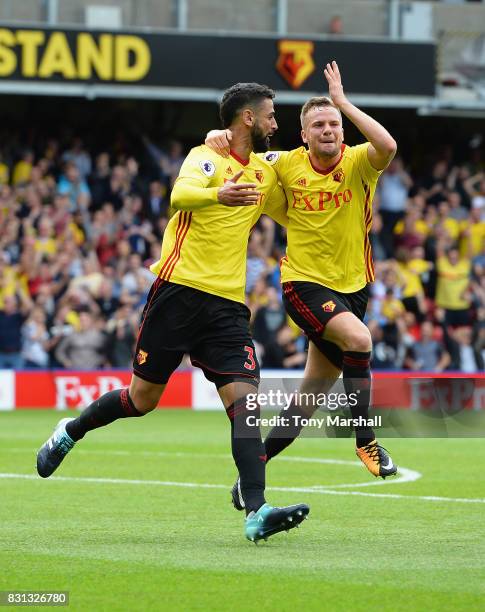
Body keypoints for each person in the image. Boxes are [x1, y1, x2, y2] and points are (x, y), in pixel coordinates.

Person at [37, 82, 309, 543]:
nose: (275, 124)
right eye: (270, 116)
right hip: (177, 294)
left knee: (246, 407)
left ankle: (257, 511)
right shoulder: (204, 157)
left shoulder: (266, 169)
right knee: (142, 401)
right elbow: (179, 197)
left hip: (226, 307)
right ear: (247, 119)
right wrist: (217, 194)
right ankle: (71, 430)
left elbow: (306, 172)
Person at [205, 62, 398, 512]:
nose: (328, 130)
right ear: (304, 134)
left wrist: (343, 102)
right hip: (303, 284)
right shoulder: (284, 165)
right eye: (319, 124)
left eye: (333, 123)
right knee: (359, 338)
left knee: (305, 401)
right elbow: (241, 156)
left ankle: (252, 470)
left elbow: (387, 144)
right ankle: (366, 441)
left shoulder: (358, 163)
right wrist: (217, 140)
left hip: (354, 289)